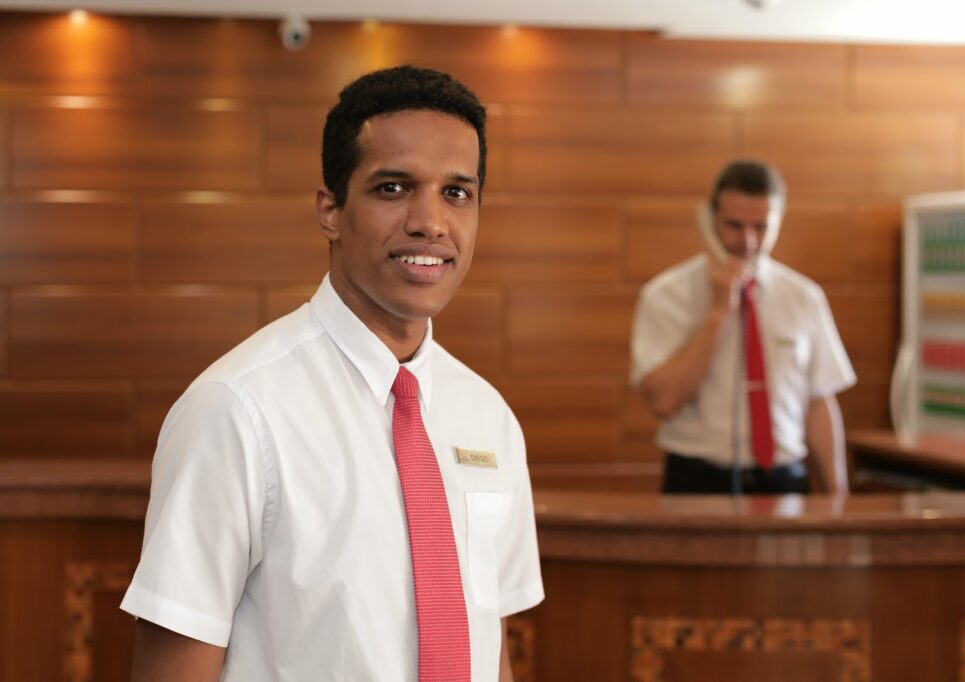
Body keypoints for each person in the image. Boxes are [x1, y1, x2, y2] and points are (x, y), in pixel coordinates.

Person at [121, 65, 544, 681]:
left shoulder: (489, 418)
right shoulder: (236, 410)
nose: (431, 222)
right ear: (329, 210)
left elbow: (490, 648)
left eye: (457, 192)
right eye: (394, 188)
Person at [630, 159, 856, 495]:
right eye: (734, 226)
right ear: (709, 221)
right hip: (698, 478)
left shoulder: (804, 297)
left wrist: (839, 495)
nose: (748, 241)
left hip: (784, 479)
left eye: (761, 227)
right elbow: (664, 401)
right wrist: (719, 311)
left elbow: (819, 403)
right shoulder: (665, 296)